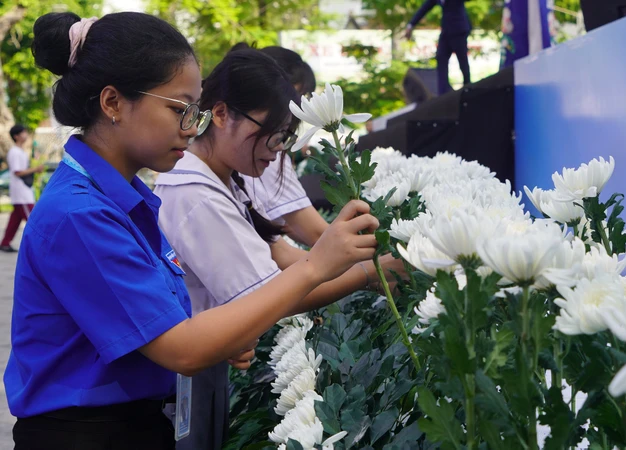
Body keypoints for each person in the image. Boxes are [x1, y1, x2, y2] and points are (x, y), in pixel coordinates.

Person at [5, 11, 380, 450]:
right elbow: (180, 348)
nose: (190, 128)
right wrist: (315, 266)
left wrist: (219, 337)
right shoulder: (80, 213)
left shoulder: (121, 197)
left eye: (194, 112)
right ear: (112, 104)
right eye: (180, 110)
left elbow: (165, 323)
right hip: (86, 434)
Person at [154, 48, 406, 450]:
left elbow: (270, 268)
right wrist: (366, 273)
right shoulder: (195, 194)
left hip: (209, 363)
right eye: (274, 135)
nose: (278, 150)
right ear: (220, 114)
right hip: (187, 376)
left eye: (286, 137)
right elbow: (266, 295)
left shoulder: (223, 180)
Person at [231, 43, 328, 246]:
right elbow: (314, 233)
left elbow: (279, 241)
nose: (302, 107)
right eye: (302, 97)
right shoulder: (265, 148)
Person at [404, 0, 472, 95]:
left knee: (462, 60)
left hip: (459, 30)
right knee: (441, 58)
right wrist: (411, 25)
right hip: (446, 32)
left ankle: (468, 87)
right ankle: (442, 93)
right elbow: (425, 8)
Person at [1, 124, 45, 252]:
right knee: (33, 220)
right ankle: (42, 244)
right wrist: (35, 169)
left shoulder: (20, 152)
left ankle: (5, 243)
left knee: (15, 220)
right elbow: (17, 172)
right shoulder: (15, 152)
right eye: (23, 132)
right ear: (16, 136)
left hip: (23, 191)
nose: (26, 134)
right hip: (22, 193)